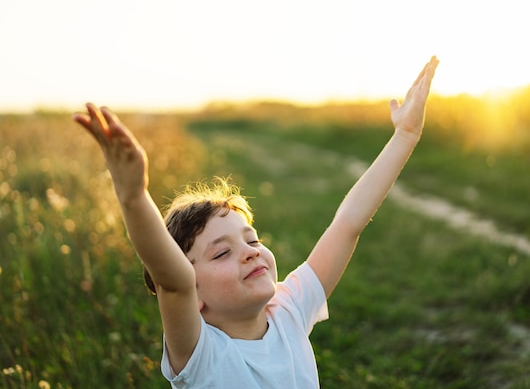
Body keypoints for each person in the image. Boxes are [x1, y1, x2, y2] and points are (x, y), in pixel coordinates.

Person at [73, 56, 439, 388]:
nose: (250, 254)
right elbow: (173, 281)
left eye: (252, 240)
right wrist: (134, 196)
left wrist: (405, 136)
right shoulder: (200, 354)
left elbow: (347, 224)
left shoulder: (288, 309)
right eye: (221, 254)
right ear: (196, 295)